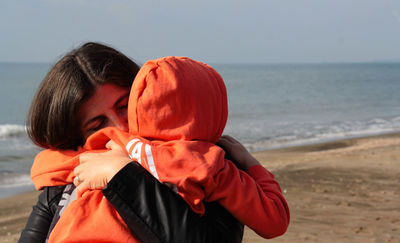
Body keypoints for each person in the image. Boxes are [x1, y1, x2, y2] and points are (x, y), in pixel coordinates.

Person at [27, 56, 290, 242]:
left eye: (123, 106)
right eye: (97, 124)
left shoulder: (205, 164)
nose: (119, 126)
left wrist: (122, 176)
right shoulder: (65, 177)